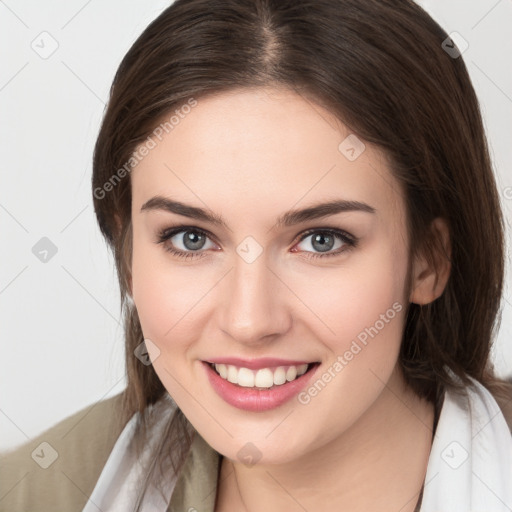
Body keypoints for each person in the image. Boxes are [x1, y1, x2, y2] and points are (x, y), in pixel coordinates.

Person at [1, 0, 512, 511]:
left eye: (321, 240)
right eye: (191, 238)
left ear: (429, 260)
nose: (250, 322)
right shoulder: (33, 493)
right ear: (130, 253)